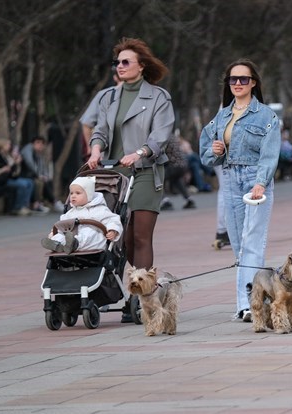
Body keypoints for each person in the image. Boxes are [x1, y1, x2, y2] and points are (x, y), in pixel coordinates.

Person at [86, 37, 174, 322]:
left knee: (140, 234)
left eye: (126, 62)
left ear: (141, 66)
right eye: (117, 62)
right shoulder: (108, 96)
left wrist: (140, 152)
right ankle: (128, 294)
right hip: (115, 175)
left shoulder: (158, 97)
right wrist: (96, 150)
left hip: (146, 171)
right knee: (122, 239)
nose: (120, 67)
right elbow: (99, 130)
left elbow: (161, 134)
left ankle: (144, 300)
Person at [199, 58, 281, 322]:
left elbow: (270, 154)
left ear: (253, 83)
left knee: (253, 242)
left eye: (243, 79)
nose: (237, 84)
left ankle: (247, 305)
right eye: (233, 79)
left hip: (255, 180)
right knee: (239, 246)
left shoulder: (266, 115)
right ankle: (252, 299)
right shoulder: (222, 117)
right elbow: (205, 151)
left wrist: (261, 182)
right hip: (230, 179)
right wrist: (213, 151)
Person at [41, 176, 122, 254]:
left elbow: (112, 219)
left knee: (89, 232)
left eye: (78, 193)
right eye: (71, 193)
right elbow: (62, 223)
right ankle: (56, 244)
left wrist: (113, 230)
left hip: (93, 241)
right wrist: (54, 232)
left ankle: (74, 244)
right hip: (72, 236)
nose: (73, 196)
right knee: (61, 236)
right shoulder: (71, 212)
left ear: (89, 195)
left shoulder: (99, 209)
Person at [80, 72, 123, 162]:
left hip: (106, 153)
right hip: (128, 155)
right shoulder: (105, 95)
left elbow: (86, 123)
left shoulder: (103, 94)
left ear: (115, 77)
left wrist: (90, 148)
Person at [0, 139, 38, 215]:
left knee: (30, 182)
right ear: (2, 146)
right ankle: (18, 207)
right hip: (3, 180)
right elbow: (8, 169)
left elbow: (13, 171)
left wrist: (16, 163)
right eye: (8, 145)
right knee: (23, 184)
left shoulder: (7, 155)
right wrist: (15, 163)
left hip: (10, 177)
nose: (9, 146)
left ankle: (25, 205)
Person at [20, 135, 58, 211]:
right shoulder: (28, 149)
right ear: (32, 143)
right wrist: (39, 175)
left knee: (46, 181)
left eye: (42, 144)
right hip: (24, 175)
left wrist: (45, 176)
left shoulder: (38, 154)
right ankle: (38, 204)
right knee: (38, 182)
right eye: (37, 143)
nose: (40, 145)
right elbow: (30, 163)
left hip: (32, 176)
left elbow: (42, 167)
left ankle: (51, 202)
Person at [160, 135, 196, 210]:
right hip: (183, 164)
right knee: (177, 180)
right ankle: (189, 199)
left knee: (158, 179)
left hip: (173, 165)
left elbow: (161, 153)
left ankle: (165, 201)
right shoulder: (172, 136)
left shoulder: (163, 137)